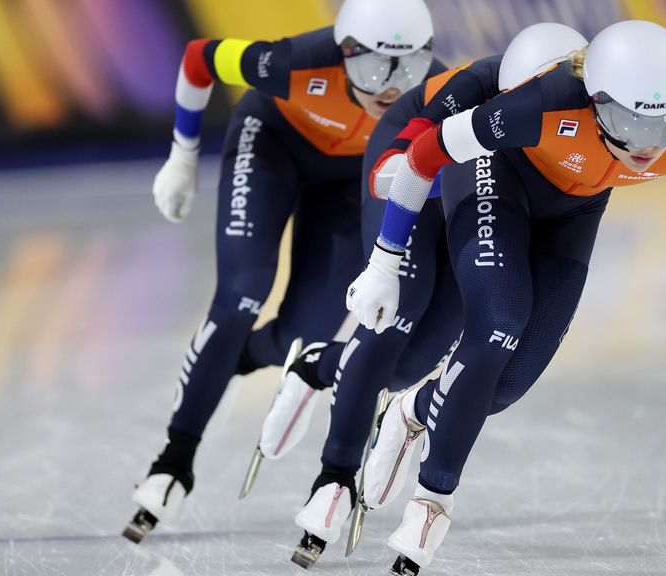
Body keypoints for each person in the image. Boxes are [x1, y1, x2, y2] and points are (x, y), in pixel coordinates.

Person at [347, 20, 666, 574]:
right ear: (594, 101)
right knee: (498, 325)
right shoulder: (539, 105)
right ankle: (432, 503)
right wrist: (385, 261)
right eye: (628, 123)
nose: (649, 147)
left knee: (505, 385)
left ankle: (414, 408)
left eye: (665, 123)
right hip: (496, 172)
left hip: (576, 211)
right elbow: (424, 157)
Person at [247, 22, 592, 568]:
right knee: (397, 313)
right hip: (419, 165)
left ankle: (321, 365)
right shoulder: (478, 93)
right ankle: (333, 476)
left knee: (415, 365)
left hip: (482, 172)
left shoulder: (599, 112)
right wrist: (385, 259)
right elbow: (406, 169)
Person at [123, 0, 443, 544]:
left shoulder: (438, 90)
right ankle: (173, 460)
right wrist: (182, 154)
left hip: (348, 179)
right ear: (342, 55)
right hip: (272, 147)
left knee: (305, 335)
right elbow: (200, 58)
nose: (390, 87)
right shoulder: (292, 61)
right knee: (242, 292)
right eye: (372, 68)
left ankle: (241, 356)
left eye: (408, 68)